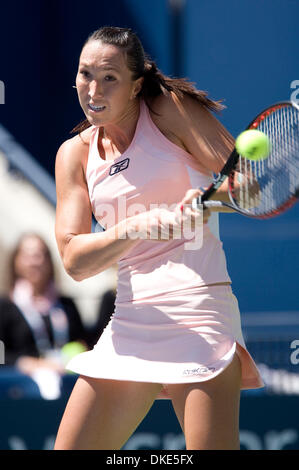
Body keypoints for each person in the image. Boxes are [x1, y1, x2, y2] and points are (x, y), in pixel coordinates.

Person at [54, 26, 264, 450]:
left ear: (136, 86)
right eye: (84, 74)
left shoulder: (168, 109)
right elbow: (75, 260)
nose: (92, 88)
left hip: (199, 311)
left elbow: (250, 186)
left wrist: (210, 195)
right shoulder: (73, 154)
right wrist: (139, 226)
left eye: (109, 77)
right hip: (130, 319)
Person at [0, 233, 87, 374]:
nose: (35, 262)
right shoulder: (5, 306)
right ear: (15, 261)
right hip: (20, 388)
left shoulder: (66, 304)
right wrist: (27, 363)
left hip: (66, 381)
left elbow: (84, 341)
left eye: (40, 255)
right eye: (27, 256)